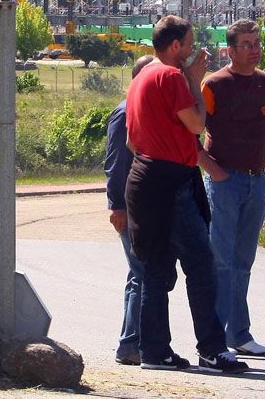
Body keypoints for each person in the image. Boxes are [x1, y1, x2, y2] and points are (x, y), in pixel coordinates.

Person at [124, 16, 248, 374]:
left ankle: (155, 351)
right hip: (171, 182)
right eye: (190, 44)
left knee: (154, 270)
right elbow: (197, 123)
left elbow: (133, 141)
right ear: (175, 46)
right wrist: (195, 82)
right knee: (201, 265)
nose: (194, 51)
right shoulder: (170, 75)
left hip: (144, 178)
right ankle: (211, 349)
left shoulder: (142, 77)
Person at [199, 20, 265, 357]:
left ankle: (239, 335)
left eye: (257, 43)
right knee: (221, 262)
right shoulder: (213, 85)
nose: (254, 50)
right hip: (224, 183)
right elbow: (189, 132)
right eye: (246, 44)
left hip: (257, 183)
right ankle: (215, 338)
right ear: (230, 50)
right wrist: (212, 169)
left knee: (243, 262)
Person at [104, 54, 156, 366]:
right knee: (144, 274)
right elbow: (115, 164)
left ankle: (130, 341)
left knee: (138, 274)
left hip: (144, 205)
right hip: (130, 207)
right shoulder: (124, 114)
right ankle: (131, 344)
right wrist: (117, 207)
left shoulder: (145, 112)